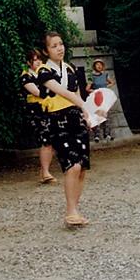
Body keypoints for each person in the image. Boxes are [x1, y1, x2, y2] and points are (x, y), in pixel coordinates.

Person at [36, 32, 95, 227]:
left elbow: (77, 93)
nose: (60, 48)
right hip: (57, 120)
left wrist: (86, 114)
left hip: (75, 120)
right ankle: (71, 211)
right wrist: (82, 104)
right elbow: (63, 92)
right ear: (46, 51)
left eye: (61, 44)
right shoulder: (44, 71)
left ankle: (75, 209)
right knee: (72, 165)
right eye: (54, 46)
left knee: (82, 168)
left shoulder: (69, 68)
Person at [20, 49, 56, 184]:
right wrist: (50, 88)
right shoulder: (26, 77)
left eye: (40, 59)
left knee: (50, 140)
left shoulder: (43, 74)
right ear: (29, 62)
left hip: (48, 109)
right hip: (36, 112)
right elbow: (37, 92)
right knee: (46, 140)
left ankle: (44, 172)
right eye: (35, 60)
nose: (38, 62)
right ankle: (45, 172)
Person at [86, 58, 115, 142]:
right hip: (96, 99)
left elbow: (112, 82)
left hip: (105, 98)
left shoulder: (105, 75)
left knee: (106, 116)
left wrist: (105, 87)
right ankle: (97, 135)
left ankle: (107, 134)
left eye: (100, 64)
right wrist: (96, 91)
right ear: (94, 66)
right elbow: (87, 89)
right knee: (97, 116)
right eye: (97, 64)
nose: (99, 66)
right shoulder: (92, 76)